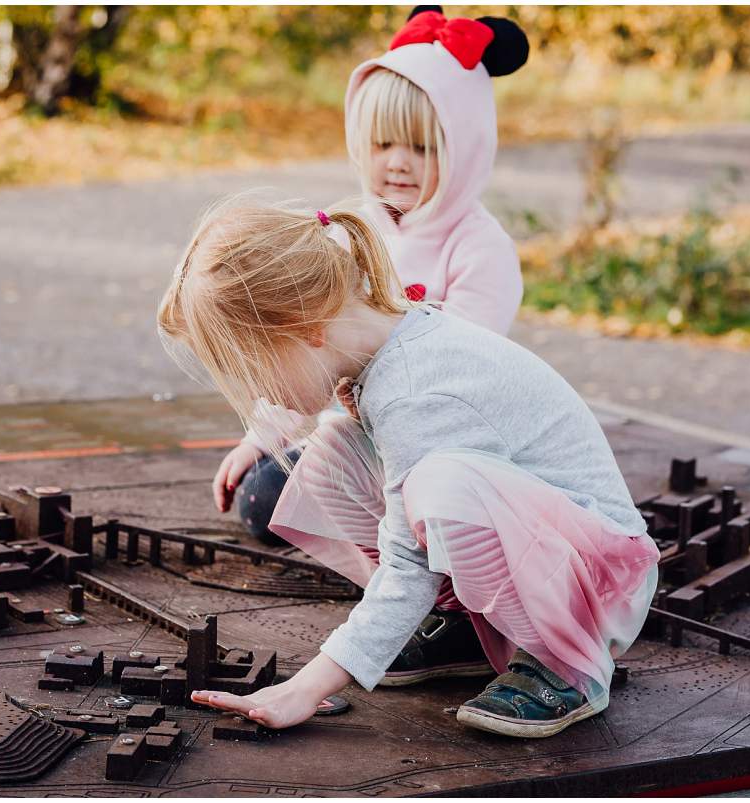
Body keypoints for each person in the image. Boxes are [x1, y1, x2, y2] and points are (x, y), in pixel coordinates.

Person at [157, 197, 659, 737]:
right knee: (331, 454)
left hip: (596, 585)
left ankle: (567, 667)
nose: (257, 393)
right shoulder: (391, 348)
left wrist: (306, 686)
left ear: (307, 328)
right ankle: (463, 628)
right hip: (555, 559)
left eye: (252, 369)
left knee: (439, 489)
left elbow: (409, 562)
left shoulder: (414, 394)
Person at [214, 5, 532, 687]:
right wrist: (261, 433)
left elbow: (463, 375)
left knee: (414, 511)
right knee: (266, 492)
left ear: (467, 146)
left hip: (440, 441)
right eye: (384, 142)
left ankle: (440, 604)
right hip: (357, 433)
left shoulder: (479, 248)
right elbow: (302, 344)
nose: (398, 164)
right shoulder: (351, 227)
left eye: (422, 147)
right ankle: (394, 589)